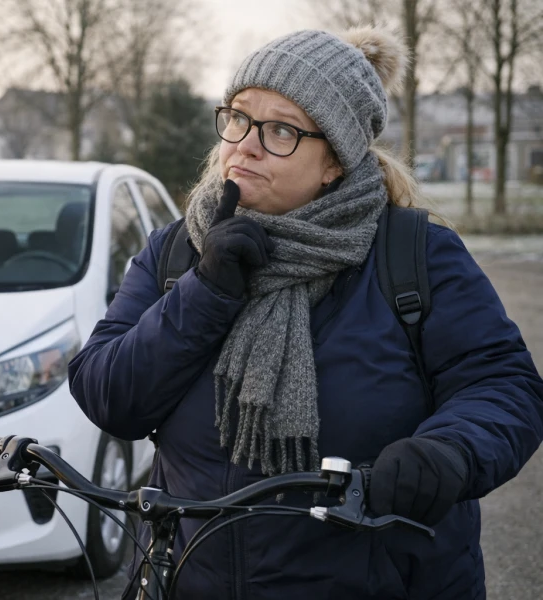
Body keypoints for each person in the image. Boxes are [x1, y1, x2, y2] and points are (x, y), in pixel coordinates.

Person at [68, 25, 543, 599]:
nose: (243, 144)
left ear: (334, 163)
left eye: (280, 131)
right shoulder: (175, 253)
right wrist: (205, 292)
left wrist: (451, 449)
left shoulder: (414, 255)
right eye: (238, 118)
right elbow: (110, 397)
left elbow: (502, 383)